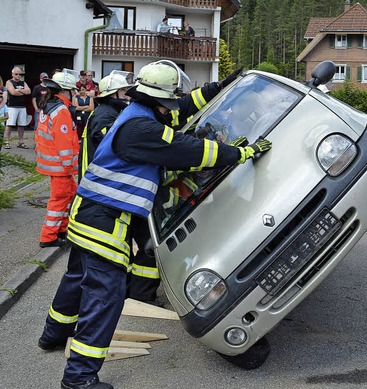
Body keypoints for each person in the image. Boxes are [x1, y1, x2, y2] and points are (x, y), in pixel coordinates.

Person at [38, 61, 267, 389]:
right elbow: (188, 149)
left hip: (87, 214)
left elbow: (185, 107)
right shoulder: (142, 129)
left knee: (77, 278)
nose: (174, 109)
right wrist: (241, 153)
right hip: (105, 222)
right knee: (105, 298)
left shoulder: (139, 114)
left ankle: (53, 334)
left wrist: (219, 86)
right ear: (159, 101)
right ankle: (79, 378)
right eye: (170, 103)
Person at [35, 69, 80, 248]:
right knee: (59, 200)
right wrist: (69, 165)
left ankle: (62, 229)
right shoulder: (61, 110)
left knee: (70, 195)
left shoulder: (49, 105)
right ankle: (48, 237)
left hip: (55, 165)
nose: (74, 93)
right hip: (61, 166)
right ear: (64, 91)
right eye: (72, 90)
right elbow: (63, 142)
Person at [4, 67, 32, 149]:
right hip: (12, 106)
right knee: (9, 125)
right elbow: (12, 92)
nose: (18, 76)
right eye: (16, 74)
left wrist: (19, 90)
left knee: (21, 125)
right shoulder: (9, 82)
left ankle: (21, 142)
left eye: (20, 74)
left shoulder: (23, 82)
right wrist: (23, 91)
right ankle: (6, 142)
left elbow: (29, 91)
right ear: (12, 74)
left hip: (22, 107)